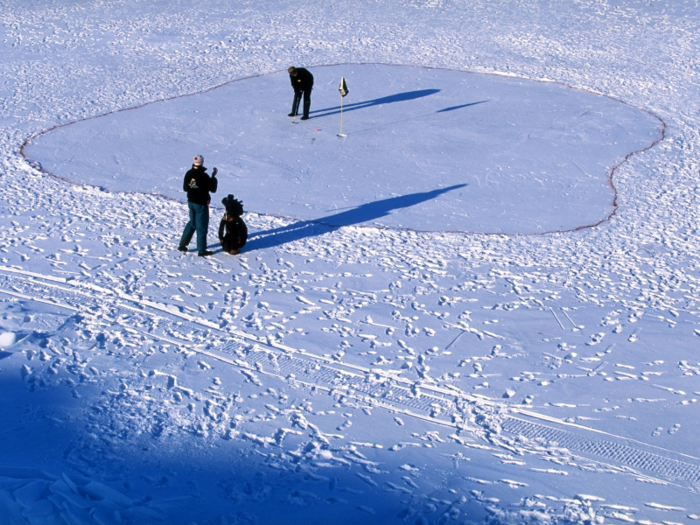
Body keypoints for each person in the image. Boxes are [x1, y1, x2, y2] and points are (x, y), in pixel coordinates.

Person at [178, 155, 218, 256]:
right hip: (201, 203)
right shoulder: (203, 176)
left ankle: (182, 244)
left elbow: (185, 188)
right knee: (201, 226)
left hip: (191, 202)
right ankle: (201, 250)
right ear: (202, 162)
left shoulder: (189, 173)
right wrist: (213, 177)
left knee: (192, 223)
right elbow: (213, 189)